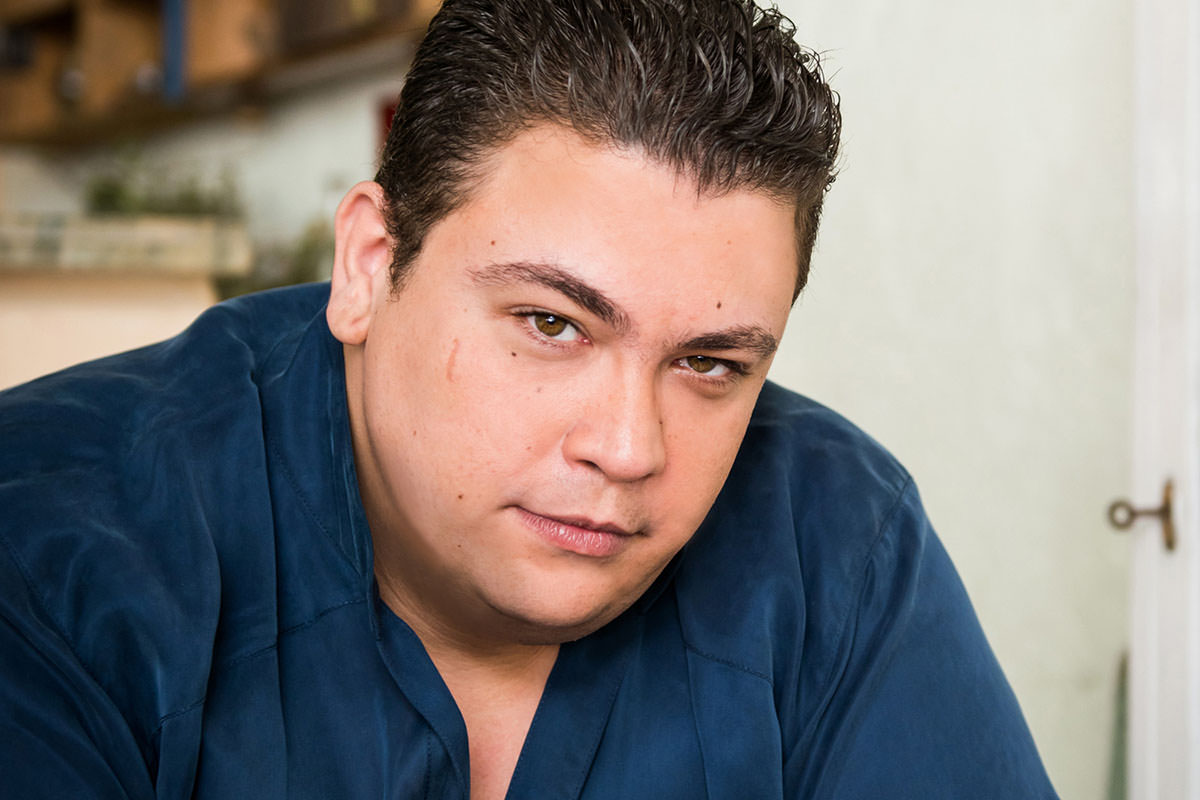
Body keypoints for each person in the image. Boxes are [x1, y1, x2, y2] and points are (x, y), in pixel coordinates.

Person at [0, 0, 1057, 797]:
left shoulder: (841, 536)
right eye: (552, 324)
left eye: (709, 363)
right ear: (369, 264)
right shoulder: (49, 544)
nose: (629, 448)